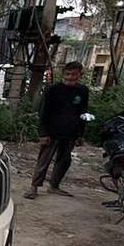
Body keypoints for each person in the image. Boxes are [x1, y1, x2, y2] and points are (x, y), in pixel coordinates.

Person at [24, 61, 90, 199]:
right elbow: (43, 112)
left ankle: (54, 186)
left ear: (79, 75)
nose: (70, 77)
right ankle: (34, 187)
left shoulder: (83, 91)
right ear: (63, 74)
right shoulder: (53, 90)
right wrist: (43, 133)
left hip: (71, 132)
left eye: (74, 74)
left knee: (64, 160)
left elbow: (83, 112)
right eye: (68, 74)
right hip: (52, 132)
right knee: (44, 160)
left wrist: (80, 134)